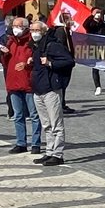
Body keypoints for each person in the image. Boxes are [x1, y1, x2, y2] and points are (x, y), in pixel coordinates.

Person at [28, 19, 75, 167]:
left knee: (56, 124)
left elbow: (69, 61)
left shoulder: (53, 45)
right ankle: (49, 151)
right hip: (38, 89)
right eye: (32, 30)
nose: (34, 33)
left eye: (36, 30)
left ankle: (58, 154)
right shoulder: (36, 47)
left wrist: (51, 63)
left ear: (43, 31)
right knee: (46, 124)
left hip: (51, 90)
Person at [0, 18, 41, 156]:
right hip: (13, 83)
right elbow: (5, 63)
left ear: (25, 28)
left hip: (28, 84)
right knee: (18, 115)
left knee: (34, 115)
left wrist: (28, 64)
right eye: (14, 26)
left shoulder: (32, 43)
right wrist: (3, 54)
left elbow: (37, 61)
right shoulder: (10, 41)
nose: (15, 28)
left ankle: (36, 144)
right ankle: (21, 143)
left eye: (18, 26)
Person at [85, 10, 105, 94]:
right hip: (93, 48)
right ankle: (98, 87)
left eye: (99, 13)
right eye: (96, 12)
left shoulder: (104, 24)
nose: (98, 14)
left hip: (104, 48)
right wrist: (91, 17)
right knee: (95, 68)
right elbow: (85, 25)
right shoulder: (90, 23)